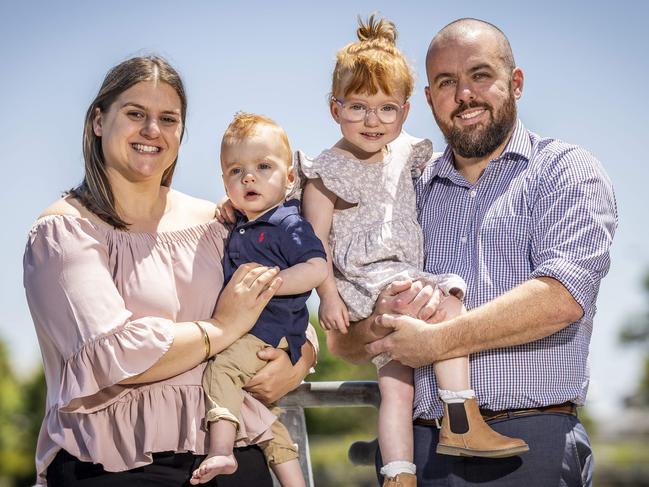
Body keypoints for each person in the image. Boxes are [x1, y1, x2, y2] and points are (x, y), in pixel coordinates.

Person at [328, 18, 617, 487]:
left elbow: (561, 298)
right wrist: (379, 318)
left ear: (515, 83)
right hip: (418, 452)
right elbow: (344, 342)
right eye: (446, 82)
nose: (464, 94)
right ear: (427, 99)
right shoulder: (406, 190)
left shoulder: (564, 171)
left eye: (480, 75)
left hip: (530, 440)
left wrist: (437, 341)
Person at [23, 56, 319, 487]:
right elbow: (116, 353)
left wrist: (299, 356)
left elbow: (279, 297)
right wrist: (219, 330)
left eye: (168, 118)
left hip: (234, 453)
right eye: (135, 114)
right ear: (98, 121)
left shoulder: (218, 222)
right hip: (114, 464)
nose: (152, 131)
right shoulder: (64, 231)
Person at [299, 16, 527, 487]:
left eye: (386, 109)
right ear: (333, 108)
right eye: (357, 108)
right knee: (450, 303)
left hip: (397, 275)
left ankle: (398, 474)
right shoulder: (326, 172)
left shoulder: (407, 156)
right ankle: (461, 416)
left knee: (396, 388)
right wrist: (330, 298)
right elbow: (312, 239)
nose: (371, 121)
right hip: (367, 281)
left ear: (405, 112)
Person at [190, 113, 327, 486]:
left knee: (221, 370)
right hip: (256, 333)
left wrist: (275, 282)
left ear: (289, 178)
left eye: (263, 167)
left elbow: (317, 267)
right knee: (262, 417)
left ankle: (220, 451)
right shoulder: (242, 224)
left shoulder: (287, 223)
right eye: (236, 171)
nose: (248, 177)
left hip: (269, 331)